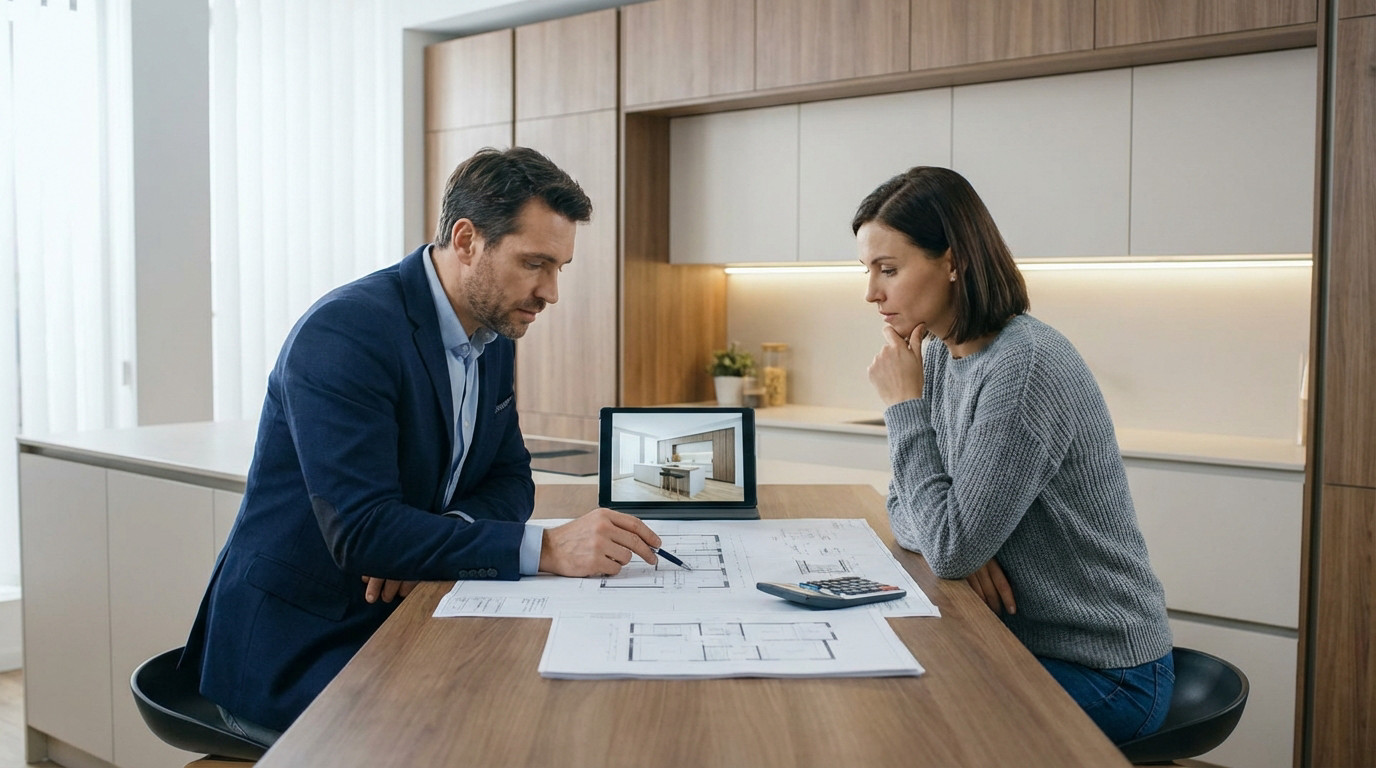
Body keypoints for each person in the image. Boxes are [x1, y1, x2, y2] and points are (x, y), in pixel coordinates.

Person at [180, 147, 664, 742]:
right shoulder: (345, 332)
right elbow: (364, 533)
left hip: (406, 608)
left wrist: (431, 545)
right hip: (303, 644)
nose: (551, 292)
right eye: (534, 263)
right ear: (466, 240)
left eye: (559, 267)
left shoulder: (494, 331)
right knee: (480, 734)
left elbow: (511, 478)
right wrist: (546, 549)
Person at [855, 166, 1174, 744]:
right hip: (1017, 642)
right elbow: (906, 508)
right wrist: (959, 540)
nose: (871, 293)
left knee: (911, 720)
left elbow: (947, 543)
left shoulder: (1022, 367)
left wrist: (903, 407)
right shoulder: (940, 356)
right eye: (867, 271)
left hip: (1108, 672)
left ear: (953, 262)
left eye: (888, 269)